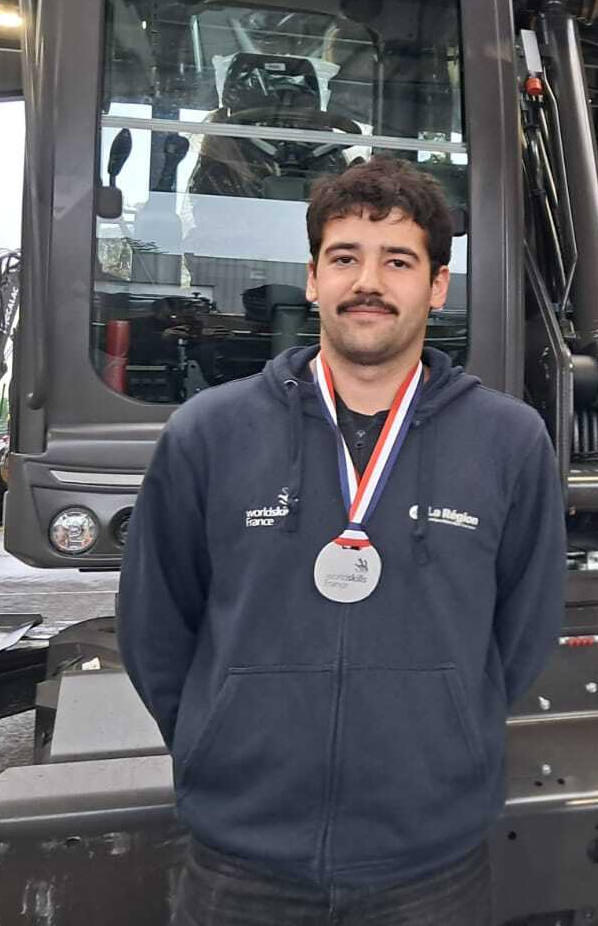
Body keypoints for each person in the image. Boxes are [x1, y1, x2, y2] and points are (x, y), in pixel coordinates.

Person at [119, 156, 567, 925]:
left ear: (437, 286)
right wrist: (219, 742)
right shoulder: (210, 433)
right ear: (313, 278)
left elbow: (523, 633)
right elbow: (156, 628)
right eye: (345, 258)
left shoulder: (509, 442)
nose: (368, 282)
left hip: (429, 867)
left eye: (398, 261)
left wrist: (449, 733)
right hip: (241, 862)